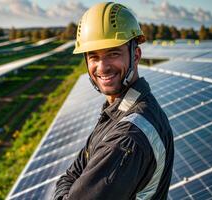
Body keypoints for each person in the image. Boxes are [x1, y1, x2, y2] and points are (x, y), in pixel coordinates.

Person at [53, 2, 174, 200]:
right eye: (93, 56)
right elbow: (69, 176)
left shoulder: (127, 138)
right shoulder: (117, 111)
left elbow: (71, 181)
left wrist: (69, 189)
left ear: (136, 55)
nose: (102, 67)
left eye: (113, 53)